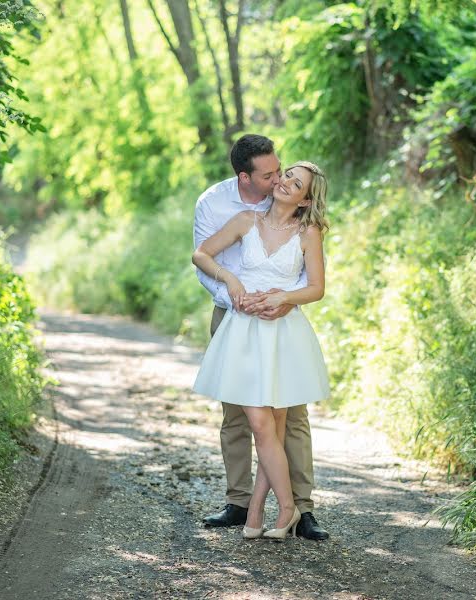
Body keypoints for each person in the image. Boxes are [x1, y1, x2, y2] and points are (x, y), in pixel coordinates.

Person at [192, 134, 329, 540]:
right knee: (242, 415)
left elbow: (314, 283)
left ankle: (297, 510)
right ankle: (243, 504)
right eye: (273, 175)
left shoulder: (306, 229)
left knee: (288, 418)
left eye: (285, 174)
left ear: (304, 198)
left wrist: (285, 299)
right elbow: (203, 255)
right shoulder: (219, 206)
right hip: (236, 318)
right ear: (245, 176)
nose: (278, 181)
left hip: (282, 327)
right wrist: (232, 289)